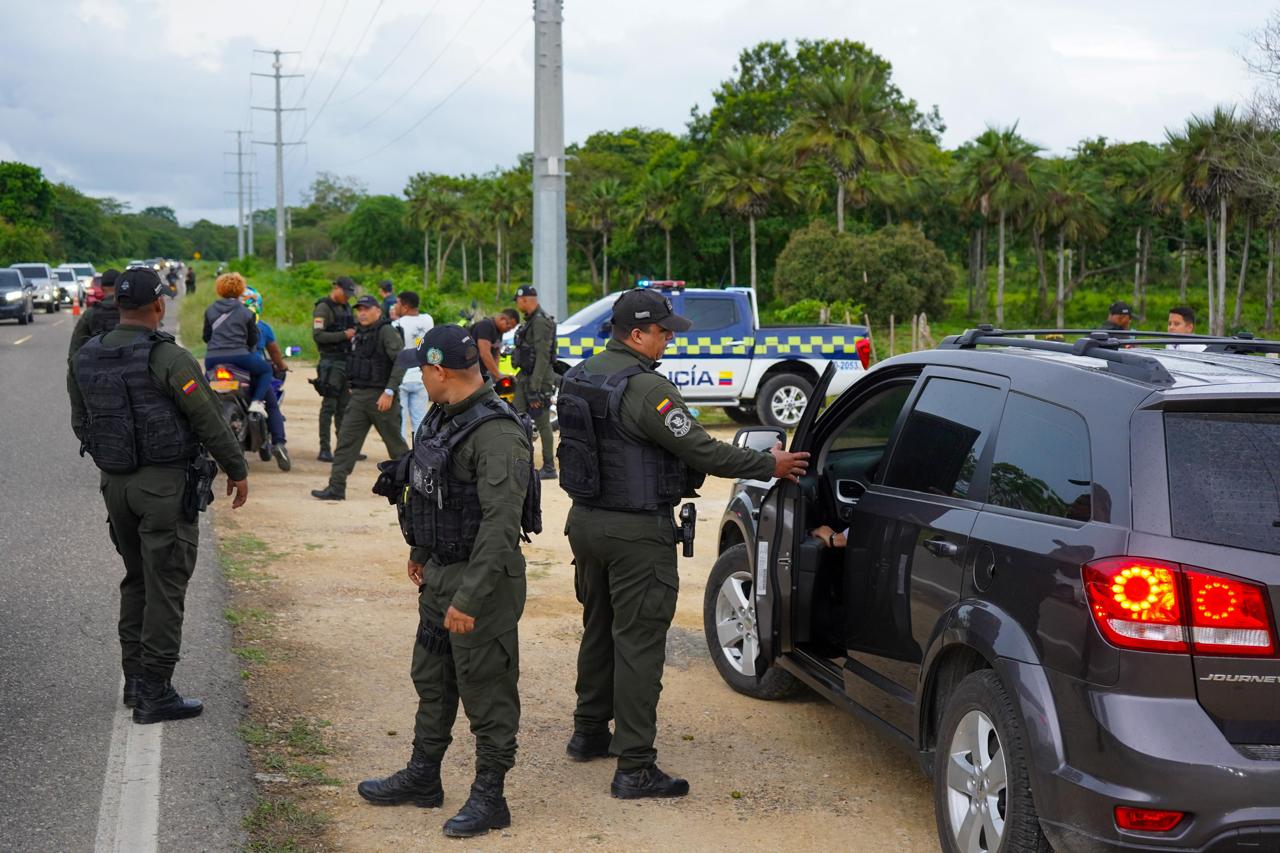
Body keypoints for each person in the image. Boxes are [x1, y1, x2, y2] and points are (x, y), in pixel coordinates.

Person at [558, 288, 809, 798]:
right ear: (636, 334)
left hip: (586, 522)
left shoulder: (585, 374)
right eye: (662, 331)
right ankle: (634, 766)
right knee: (640, 644)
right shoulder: (648, 389)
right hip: (635, 533)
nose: (669, 338)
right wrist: (771, 464)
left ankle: (588, 733)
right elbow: (701, 450)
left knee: (599, 627)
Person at [358, 325, 536, 838]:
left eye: (421, 369)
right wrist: (420, 551)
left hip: (483, 583)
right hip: (440, 573)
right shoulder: (442, 416)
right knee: (432, 680)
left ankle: (490, 797)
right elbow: (430, 489)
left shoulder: (498, 433)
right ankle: (422, 777)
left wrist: (470, 597)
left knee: (486, 690)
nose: (419, 376)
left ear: (439, 371)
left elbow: (501, 527)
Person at [67, 267, 249, 723]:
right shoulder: (169, 358)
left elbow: (80, 420)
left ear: (118, 305)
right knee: (165, 586)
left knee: (137, 580)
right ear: (159, 306)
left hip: (116, 485)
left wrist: (114, 458)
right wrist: (237, 468)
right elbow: (209, 419)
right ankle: (155, 693)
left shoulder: (86, 353)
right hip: (164, 486)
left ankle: (135, 682)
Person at [311, 296, 411, 500]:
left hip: (382, 398)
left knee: (396, 447)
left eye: (366, 309)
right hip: (358, 397)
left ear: (377, 311)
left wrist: (389, 391)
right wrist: (350, 384)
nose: (362, 313)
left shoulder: (386, 331)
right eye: (359, 309)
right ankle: (336, 487)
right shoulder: (358, 333)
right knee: (346, 443)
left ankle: (412, 488)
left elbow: (401, 361)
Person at [203, 272, 272, 417]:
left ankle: (203, 409)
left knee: (204, 383)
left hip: (212, 359)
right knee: (266, 370)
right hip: (239, 357)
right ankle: (257, 402)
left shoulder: (210, 310)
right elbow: (253, 340)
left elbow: (206, 337)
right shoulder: (246, 312)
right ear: (240, 289)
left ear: (219, 289)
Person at [242, 287, 291, 470]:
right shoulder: (262, 327)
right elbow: (275, 352)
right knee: (271, 404)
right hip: (252, 370)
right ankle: (278, 443)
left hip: (222, 368)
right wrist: (281, 365)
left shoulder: (223, 321)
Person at [512, 286, 557, 479]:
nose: (517, 304)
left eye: (518, 301)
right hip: (526, 377)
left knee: (542, 421)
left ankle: (549, 467)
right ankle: (519, 461)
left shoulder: (540, 322)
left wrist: (534, 388)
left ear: (526, 300)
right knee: (515, 417)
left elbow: (542, 356)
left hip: (537, 380)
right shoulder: (531, 321)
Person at [313, 277, 357, 462]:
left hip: (346, 361)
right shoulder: (323, 308)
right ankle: (325, 448)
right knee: (329, 406)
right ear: (336, 289)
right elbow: (318, 335)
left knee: (345, 407)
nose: (347, 297)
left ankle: (343, 448)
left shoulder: (346, 307)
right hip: (330, 363)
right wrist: (343, 335)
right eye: (345, 293)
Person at [392, 290, 435, 440]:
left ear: (404, 307)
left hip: (402, 377)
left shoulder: (396, 324)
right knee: (420, 420)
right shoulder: (428, 319)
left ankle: (402, 454)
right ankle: (420, 454)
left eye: (397, 303)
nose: (395, 306)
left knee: (400, 420)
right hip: (422, 376)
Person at [68, 268, 121, 359]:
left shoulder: (91, 313)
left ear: (101, 288)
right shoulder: (130, 311)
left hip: (96, 367)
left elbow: (75, 347)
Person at [470, 309, 520, 382]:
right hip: (469, 371)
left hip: (481, 373)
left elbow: (496, 354)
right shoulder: (486, 326)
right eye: (508, 326)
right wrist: (498, 375)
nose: (509, 330)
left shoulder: (499, 332)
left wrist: (496, 375)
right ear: (502, 318)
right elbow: (484, 353)